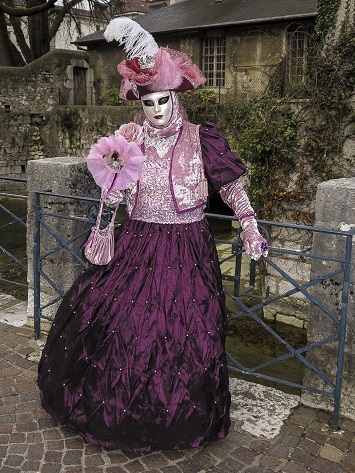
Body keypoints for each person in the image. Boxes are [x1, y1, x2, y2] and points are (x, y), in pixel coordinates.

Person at [37, 18, 268, 453]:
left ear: (175, 97)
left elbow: (231, 186)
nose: (157, 110)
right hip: (138, 243)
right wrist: (106, 214)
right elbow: (112, 190)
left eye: (163, 100)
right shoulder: (129, 140)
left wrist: (250, 223)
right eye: (149, 103)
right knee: (121, 327)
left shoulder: (202, 139)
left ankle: (180, 417)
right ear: (138, 103)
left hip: (188, 248)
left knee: (187, 332)